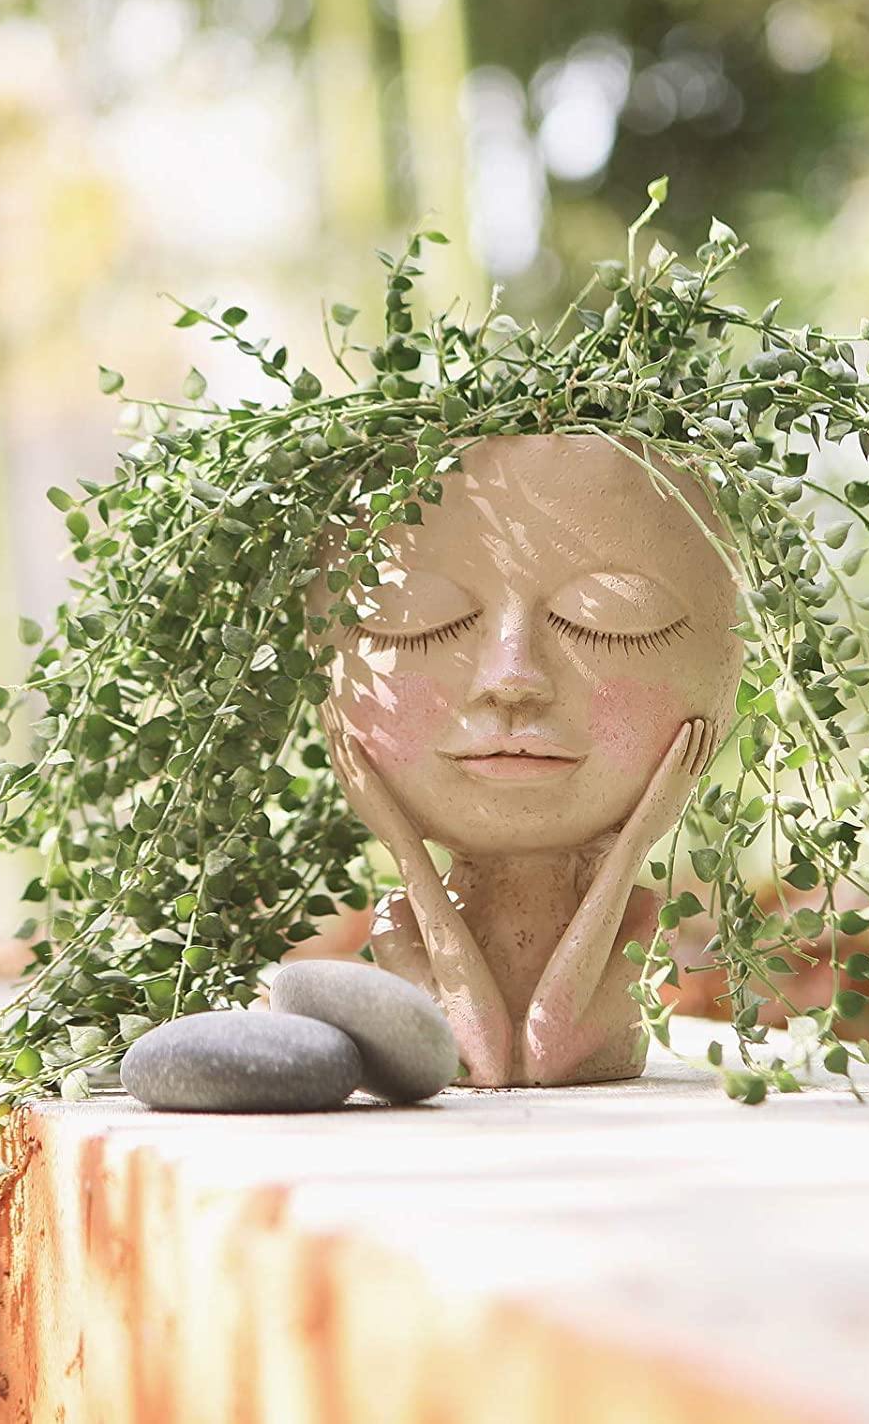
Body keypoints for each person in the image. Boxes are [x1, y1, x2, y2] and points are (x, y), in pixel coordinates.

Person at [313, 433, 744, 1086]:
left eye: (608, 621)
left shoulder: (643, 914)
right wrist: (404, 851)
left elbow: (549, 1049)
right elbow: (478, 1055)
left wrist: (635, 845)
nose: (510, 678)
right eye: (418, 621)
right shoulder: (399, 917)